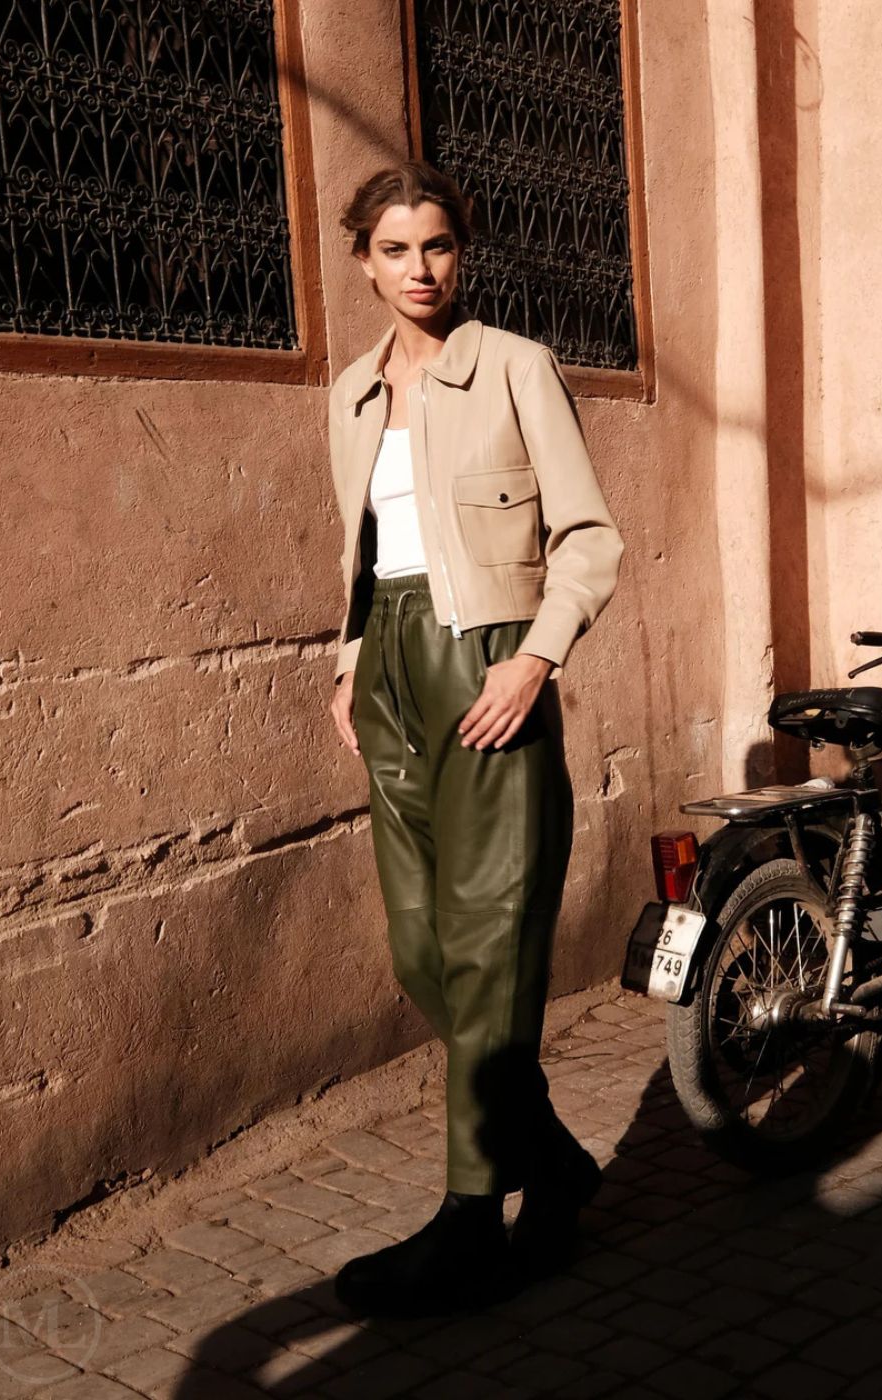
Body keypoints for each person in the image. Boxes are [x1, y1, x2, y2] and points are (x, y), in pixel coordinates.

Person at [327, 159, 624, 1315]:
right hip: (394, 665)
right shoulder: (349, 391)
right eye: (395, 249)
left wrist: (534, 657)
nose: (419, 269)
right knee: (421, 948)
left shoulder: (511, 366)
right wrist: (350, 657)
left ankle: (471, 1213)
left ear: (463, 253)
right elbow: (361, 549)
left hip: (488, 655)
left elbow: (588, 535)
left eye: (438, 246)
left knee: (489, 944)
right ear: (363, 259)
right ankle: (551, 1158)